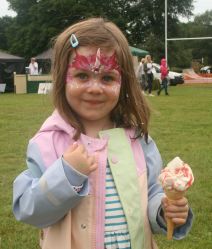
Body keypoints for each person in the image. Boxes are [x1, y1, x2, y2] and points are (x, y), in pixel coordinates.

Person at [13, 18, 193, 249]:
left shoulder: (138, 140)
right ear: (62, 79)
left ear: (124, 82)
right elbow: (29, 210)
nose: (95, 88)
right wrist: (66, 175)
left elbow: (152, 193)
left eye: (108, 78)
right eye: (82, 76)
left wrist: (163, 209)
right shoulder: (47, 142)